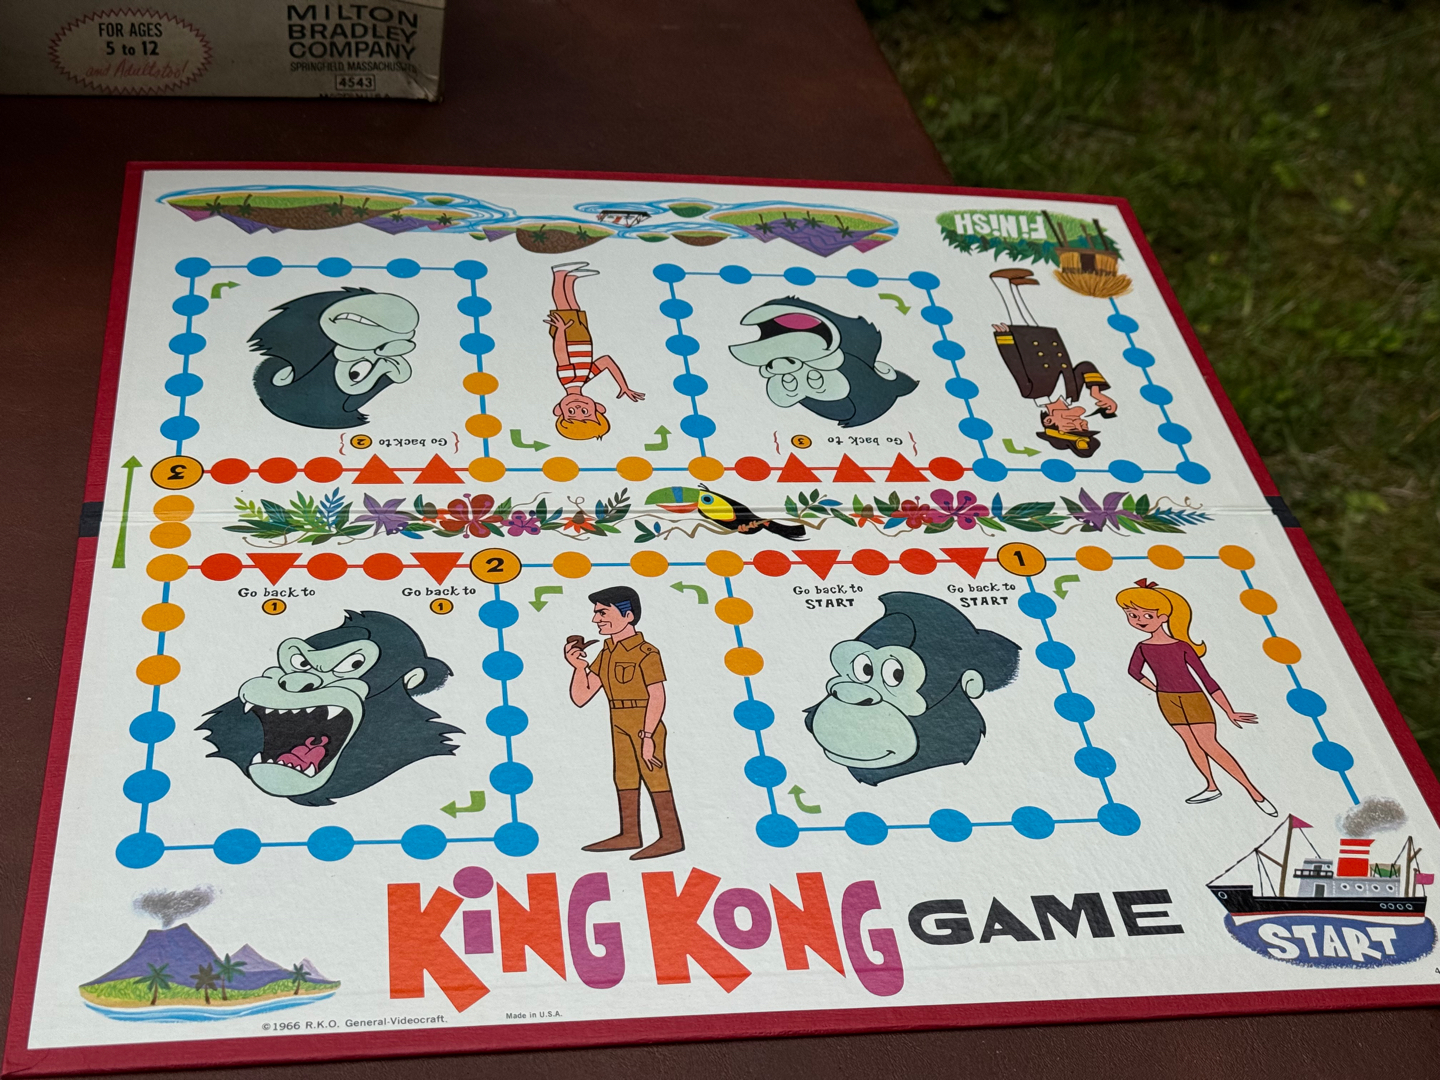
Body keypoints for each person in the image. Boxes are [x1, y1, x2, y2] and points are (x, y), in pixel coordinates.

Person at [1117, 579, 1276, 816]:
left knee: (1209, 743)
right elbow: (1134, 672)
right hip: (1167, 701)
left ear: (1163, 617)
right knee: (1191, 742)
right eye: (1132, 615)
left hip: (1193, 698)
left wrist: (1229, 710)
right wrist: (1157, 688)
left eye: (1146, 615)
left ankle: (1255, 793)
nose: (1139, 620)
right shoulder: (1143, 647)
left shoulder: (1181, 646)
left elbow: (1206, 678)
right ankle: (1211, 786)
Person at [564, 586, 684, 859]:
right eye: (596, 613)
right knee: (624, 776)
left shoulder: (646, 652)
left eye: (602, 613)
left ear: (628, 616)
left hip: (645, 721)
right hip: (617, 719)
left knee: (655, 776)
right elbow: (582, 697)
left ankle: (671, 837)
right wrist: (579, 668)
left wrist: (648, 736)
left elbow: (657, 695)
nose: (596, 619)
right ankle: (630, 834)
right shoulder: (607, 651)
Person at [546, 262, 644, 441]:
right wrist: (623, 386)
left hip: (566, 336)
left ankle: (559, 275)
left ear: (558, 410)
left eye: (571, 412)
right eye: (585, 412)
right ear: (598, 407)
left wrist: (560, 330)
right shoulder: (585, 378)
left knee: (562, 305)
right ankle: (570, 280)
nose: (577, 408)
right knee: (574, 309)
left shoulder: (568, 379)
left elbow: (561, 354)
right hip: (582, 338)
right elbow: (606, 361)